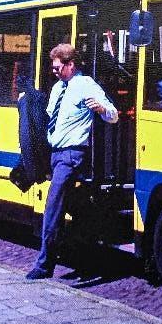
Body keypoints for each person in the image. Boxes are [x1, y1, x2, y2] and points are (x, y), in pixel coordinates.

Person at [26, 43, 118, 280]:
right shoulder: (58, 88)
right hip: (55, 153)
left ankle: (44, 265)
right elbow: (48, 118)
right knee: (75, 206)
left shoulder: (85, 84)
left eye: (58, 68)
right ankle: (87, 251)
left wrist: (100, 108)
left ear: (70, 64)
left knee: (52, 205)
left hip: (72, 155)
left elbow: (113, 114)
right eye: (53, 68)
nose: (54, 72)